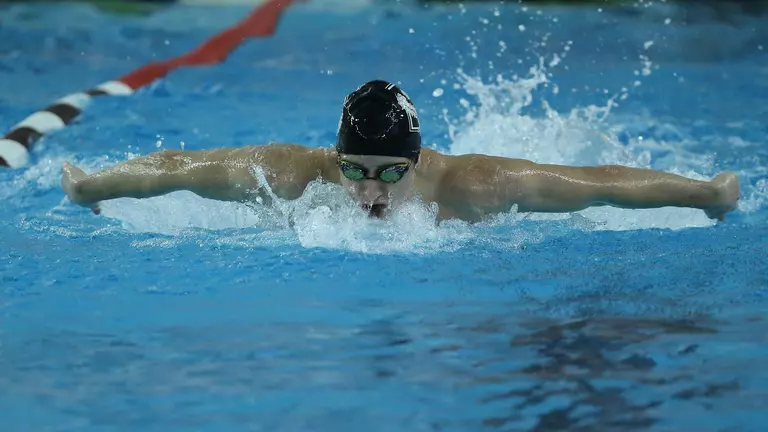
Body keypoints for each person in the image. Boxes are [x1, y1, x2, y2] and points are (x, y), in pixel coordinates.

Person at [61, 79, 740, 223]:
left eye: (391, 174)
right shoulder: (289, 175)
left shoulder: (474, 185)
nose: (370, 195)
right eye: (355, 171)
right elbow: (179, 168)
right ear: (335, 157)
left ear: (420, 159)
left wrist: (706, 193)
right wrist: (92, 186)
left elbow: (599, 182)